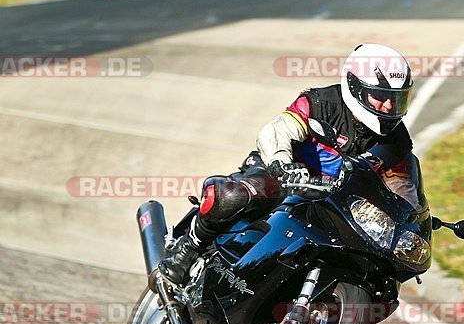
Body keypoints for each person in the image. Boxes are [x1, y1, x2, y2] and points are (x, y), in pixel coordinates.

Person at [158, 43, 417, 285]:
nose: (389, 106)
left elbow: (403, 185)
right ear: (355, 87)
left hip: (336, 202)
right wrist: (281, 164)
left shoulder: (398, 140)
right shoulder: (320, 102)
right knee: (236, 195)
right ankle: (189, 248)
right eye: (380, 96)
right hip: (283, 177)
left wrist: (411, 217)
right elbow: (277, 131)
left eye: (397, 98)